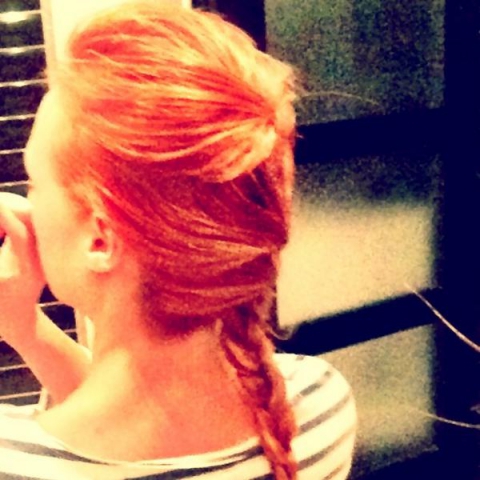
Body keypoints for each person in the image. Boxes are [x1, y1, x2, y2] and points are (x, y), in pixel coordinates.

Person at [0, 2, 356, 479]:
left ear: (100, 240)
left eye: (34, 182)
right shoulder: (319, 408)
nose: (25, 203)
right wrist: (25, 329)